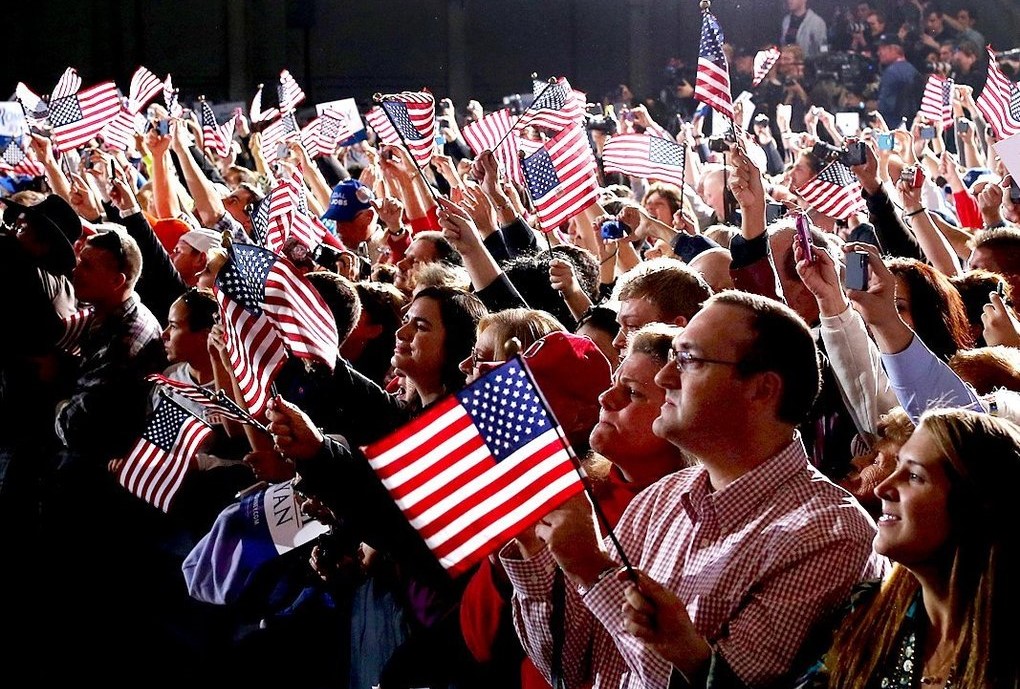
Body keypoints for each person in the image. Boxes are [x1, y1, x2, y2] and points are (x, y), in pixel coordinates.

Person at [501, 290, 884, 689]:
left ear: (762, 389)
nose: (665, 377)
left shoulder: (827, 533)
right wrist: (539, 558)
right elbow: (573, 670)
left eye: (688, 360)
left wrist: (594, 571)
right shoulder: (660, 499)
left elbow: (725, 684)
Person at [788, 408, 1020, 689]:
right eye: (896, 466)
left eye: (914, 476)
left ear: (973, 508)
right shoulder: (865, 614)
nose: (882, 488)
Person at [875, 34, 921, 126]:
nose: (878, 52)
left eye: (882, 48)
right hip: (912, 126)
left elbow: (885, 107)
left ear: (894, 49)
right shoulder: (913, 70)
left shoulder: (892, 72)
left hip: (893, 127)